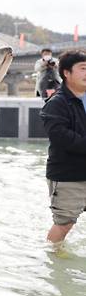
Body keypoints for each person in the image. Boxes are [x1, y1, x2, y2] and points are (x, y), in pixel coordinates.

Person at [40, 49, 86, 246]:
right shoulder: (56, 104)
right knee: (64, 224)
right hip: (68, 176)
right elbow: (61, 137)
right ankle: (53, 262)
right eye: (83, 68)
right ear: (66, 73)